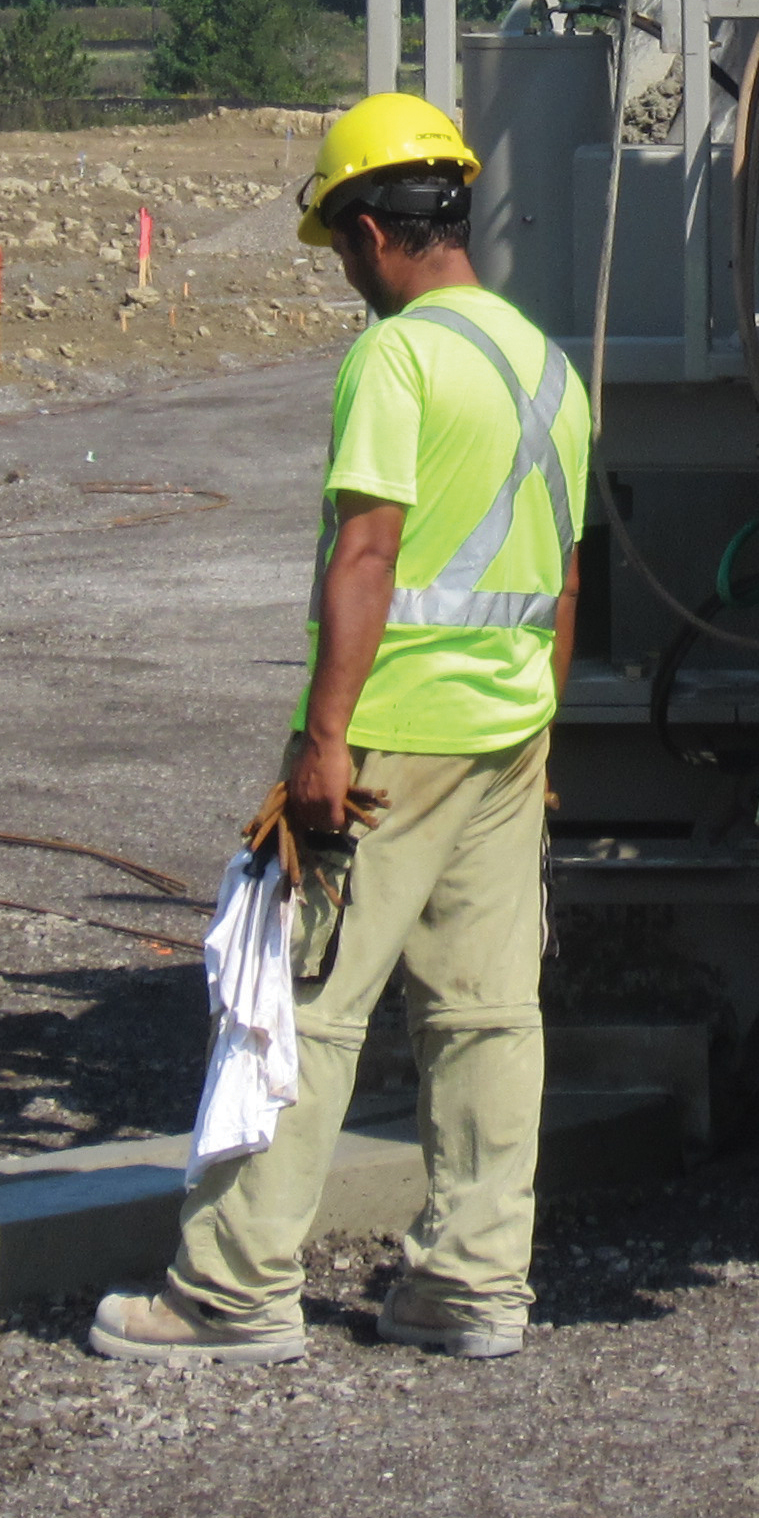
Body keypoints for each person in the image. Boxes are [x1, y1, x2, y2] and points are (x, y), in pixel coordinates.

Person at [92, 92, 590, 1369]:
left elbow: (365, 557)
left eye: (342, 250)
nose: (347, 279)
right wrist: (541, 748)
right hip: (508, 735)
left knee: (298, 1005)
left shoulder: (400, 358)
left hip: (392, 744)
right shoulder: (547, 363)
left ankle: (231, 1290)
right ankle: (472, 1284)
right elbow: (567, 581)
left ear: (372, 232)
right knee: (488, 1016)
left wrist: (324, 742)